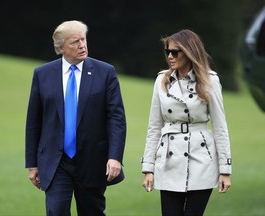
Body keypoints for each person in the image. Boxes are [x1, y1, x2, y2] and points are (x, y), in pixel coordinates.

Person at [25, 20, 127, 216]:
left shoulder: (105, 72)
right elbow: (33, 122)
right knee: (56, 211)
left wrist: (114, 157)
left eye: (83, 39)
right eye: (75, 42)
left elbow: (116, 118)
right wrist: (32, 163)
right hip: (56, 161)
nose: (82, 45)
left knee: (92, 212)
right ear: (60, 47)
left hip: (92, 160)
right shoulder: (42, 74)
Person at [141, 29, 232, 216]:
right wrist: (148, 168)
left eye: (176, 52)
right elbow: (154, 127)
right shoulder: (161, 80)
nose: (170, 56)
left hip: (201, 159)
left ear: (190, 52)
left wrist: (225, 170)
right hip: (169, 160)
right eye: (168, 52)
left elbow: (220, 127)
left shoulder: (209, 81)